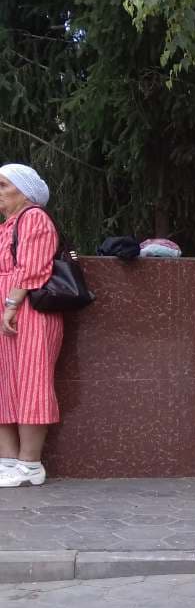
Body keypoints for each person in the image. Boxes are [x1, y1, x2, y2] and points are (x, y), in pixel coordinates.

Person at [0, 164, 64, 489]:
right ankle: (8, 460)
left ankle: (30, 465)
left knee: (30, 383)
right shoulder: (8, 225)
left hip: (29, 312)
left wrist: (11, 305)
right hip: (8, 311)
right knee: (5, 385)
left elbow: (32, 268)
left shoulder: (34, 218)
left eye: (3, 185)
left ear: (24, 192)